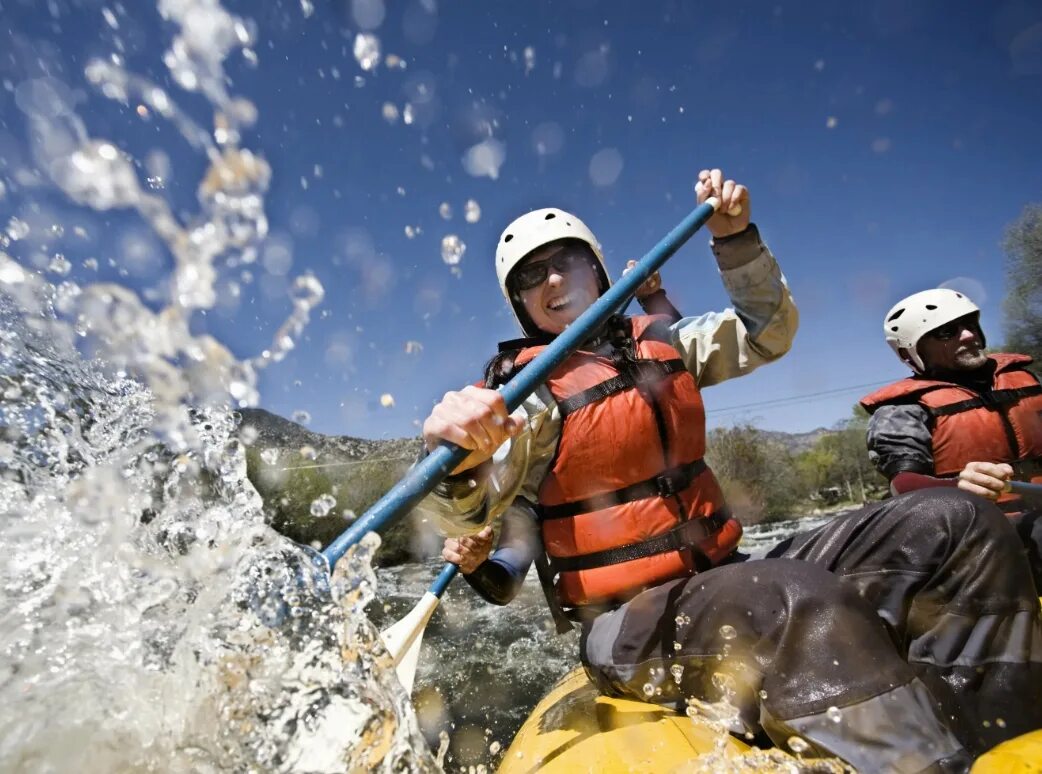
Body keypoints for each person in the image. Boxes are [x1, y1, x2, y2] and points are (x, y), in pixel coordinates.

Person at [418, 170, 1042, 772]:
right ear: (521, 305)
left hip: (726, 574)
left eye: (568, 259)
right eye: (532, 276)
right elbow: (470, 507)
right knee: (791, 600)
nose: (554, 278)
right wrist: (453, 455)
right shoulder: (524, 397)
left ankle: (990, 741)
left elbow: (767, 332)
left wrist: (735, 238)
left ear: (599, 269)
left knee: (958, 522)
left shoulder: (663, 344)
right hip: (624, 624)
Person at [859, 288, 1042, 587]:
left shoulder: (1027, 379)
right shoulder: (901, 410)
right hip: (979, 539)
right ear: (911, 352)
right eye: (947, 332)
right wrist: (957, 486)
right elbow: (903, 483)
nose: (969, 336)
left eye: (971, 324)